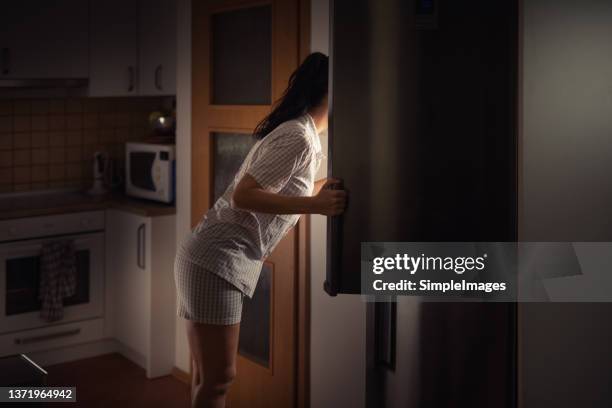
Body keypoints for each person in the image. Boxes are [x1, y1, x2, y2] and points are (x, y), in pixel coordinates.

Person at [174, 52, 347, 408]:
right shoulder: (298, 136)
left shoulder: (305, 136)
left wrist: (319, 188)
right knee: (219, 379)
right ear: (332, 94)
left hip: (208, 258)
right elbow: (244, 195)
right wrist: (314, 205)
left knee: (207, 378)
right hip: (215, 261)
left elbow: (283, 188)